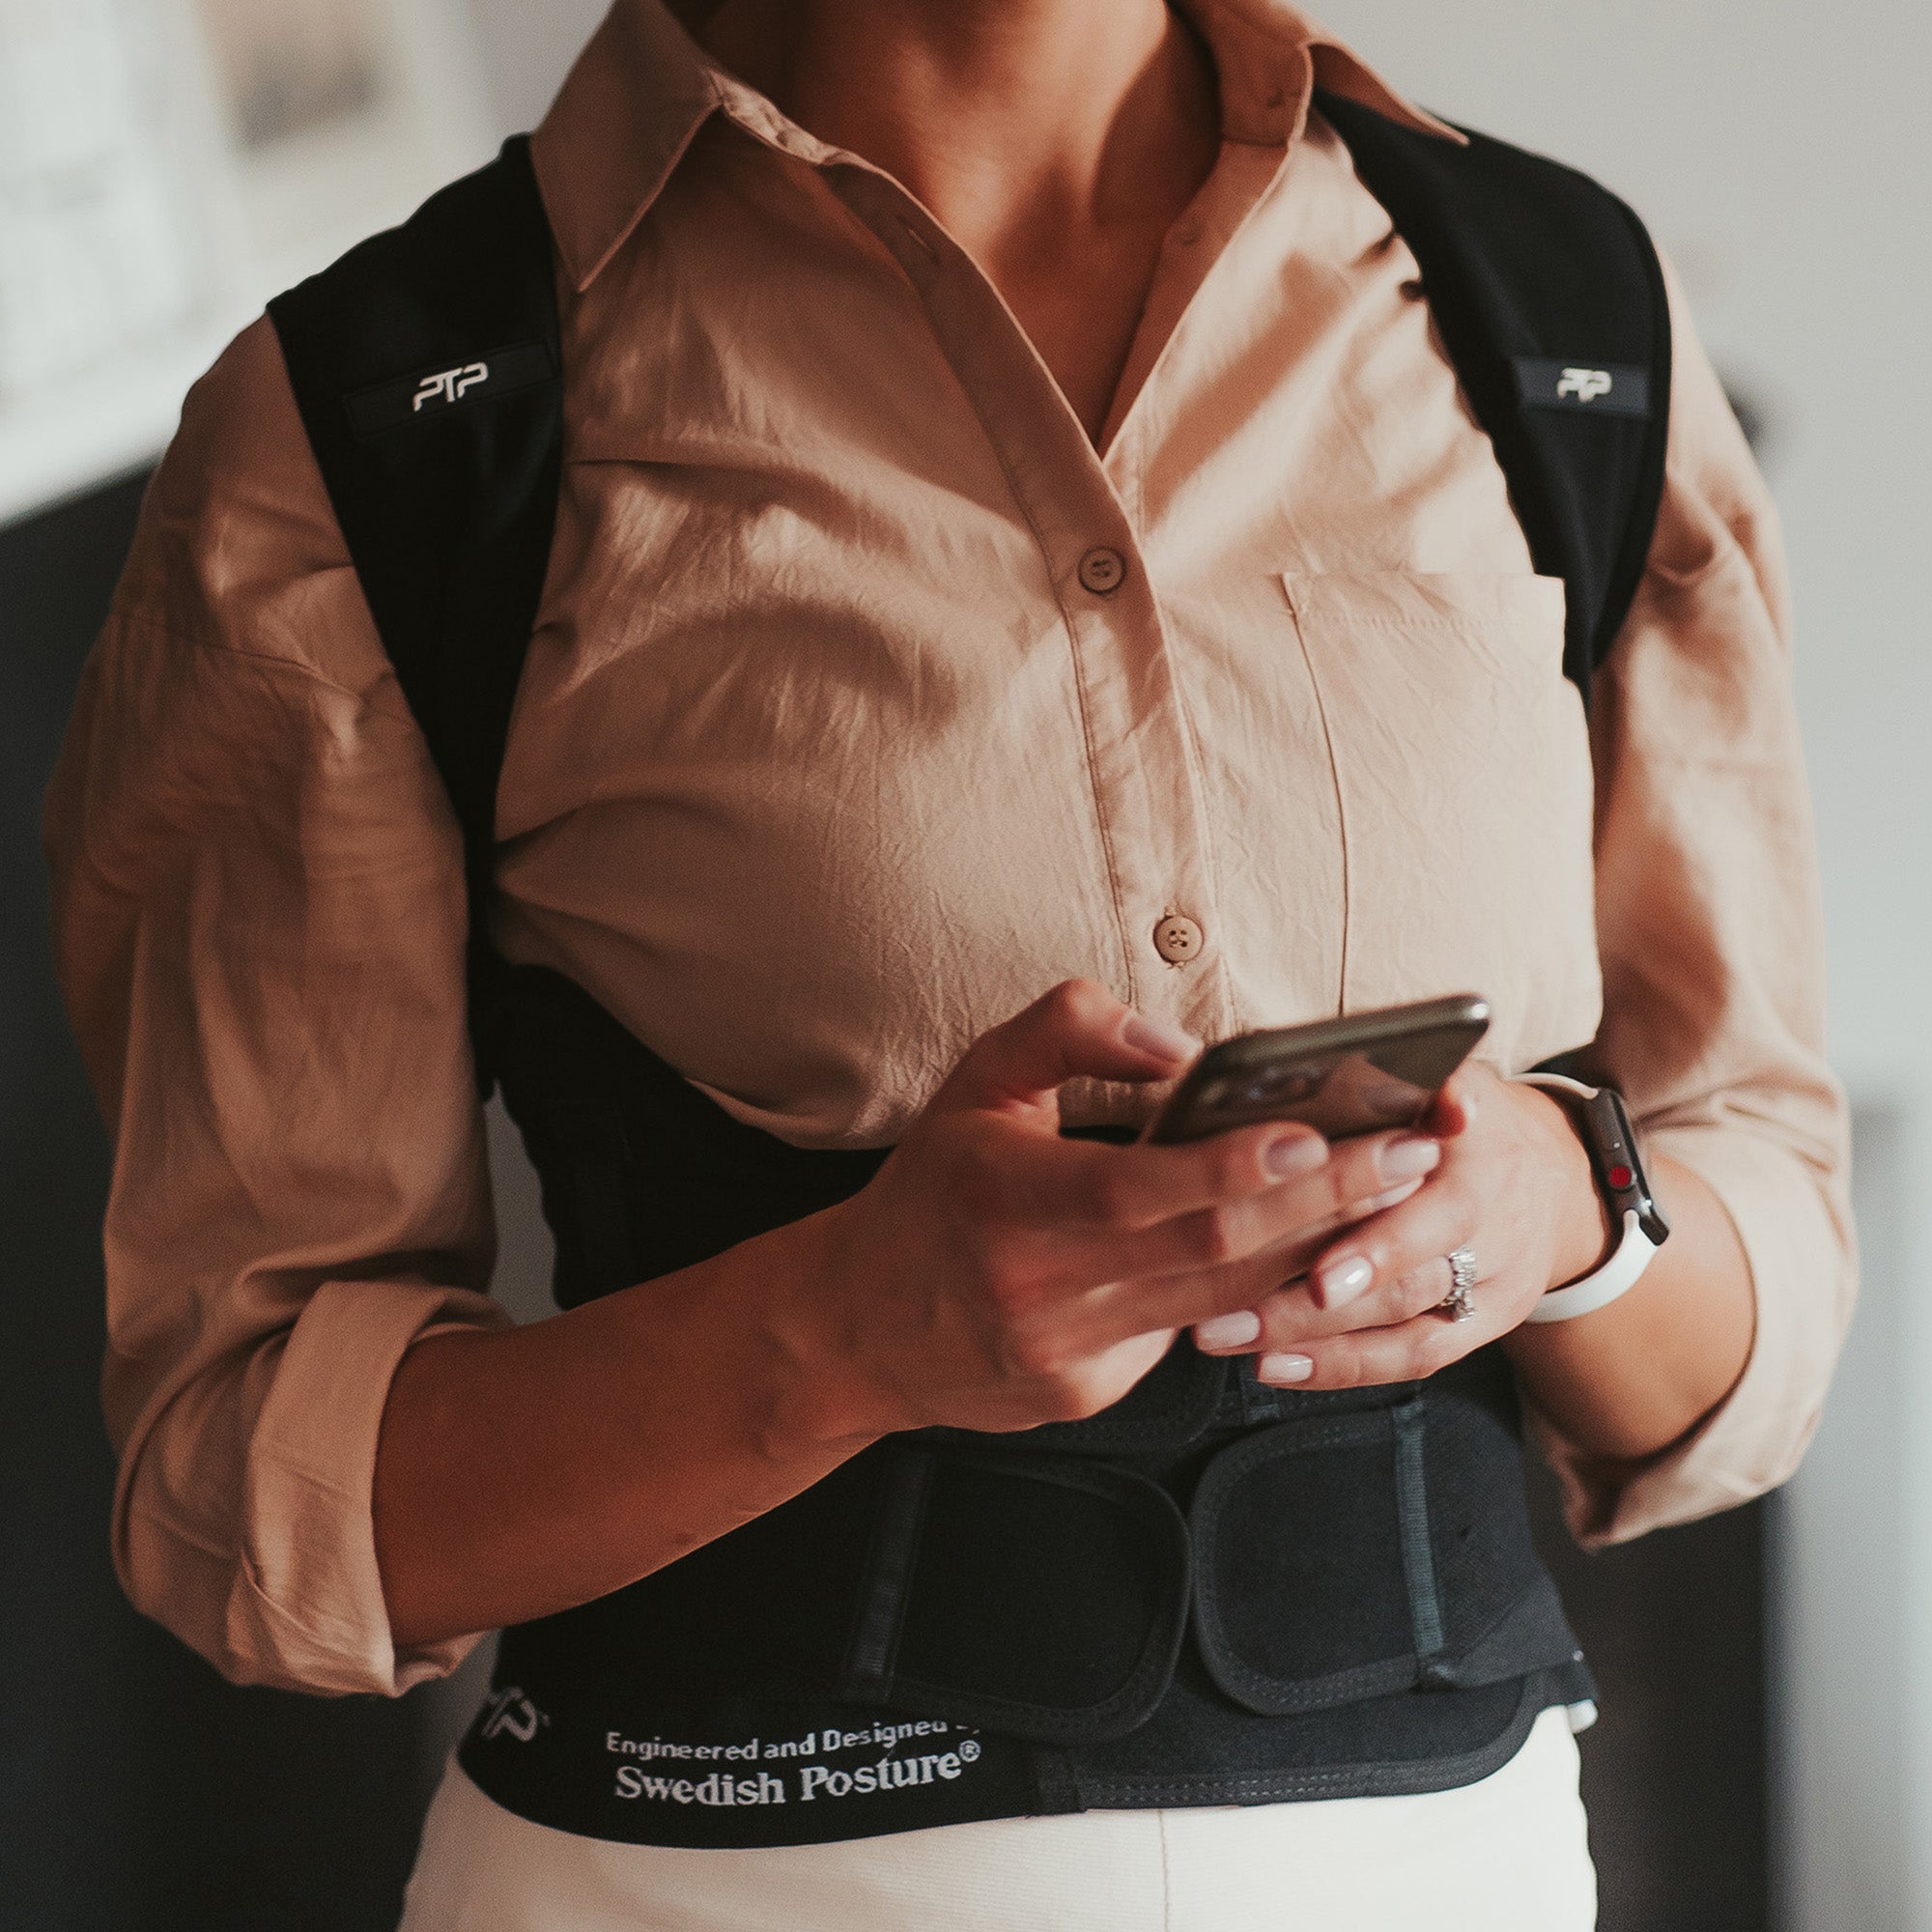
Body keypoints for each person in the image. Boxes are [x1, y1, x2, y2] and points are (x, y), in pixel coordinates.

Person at [43, 0, 1853, 1925]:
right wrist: (843, 1329)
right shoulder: (395, 411)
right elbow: (242, 1479)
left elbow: (1760, 1226)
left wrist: (1572, 1206)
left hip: (1452, 1872)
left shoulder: (1555, 312)